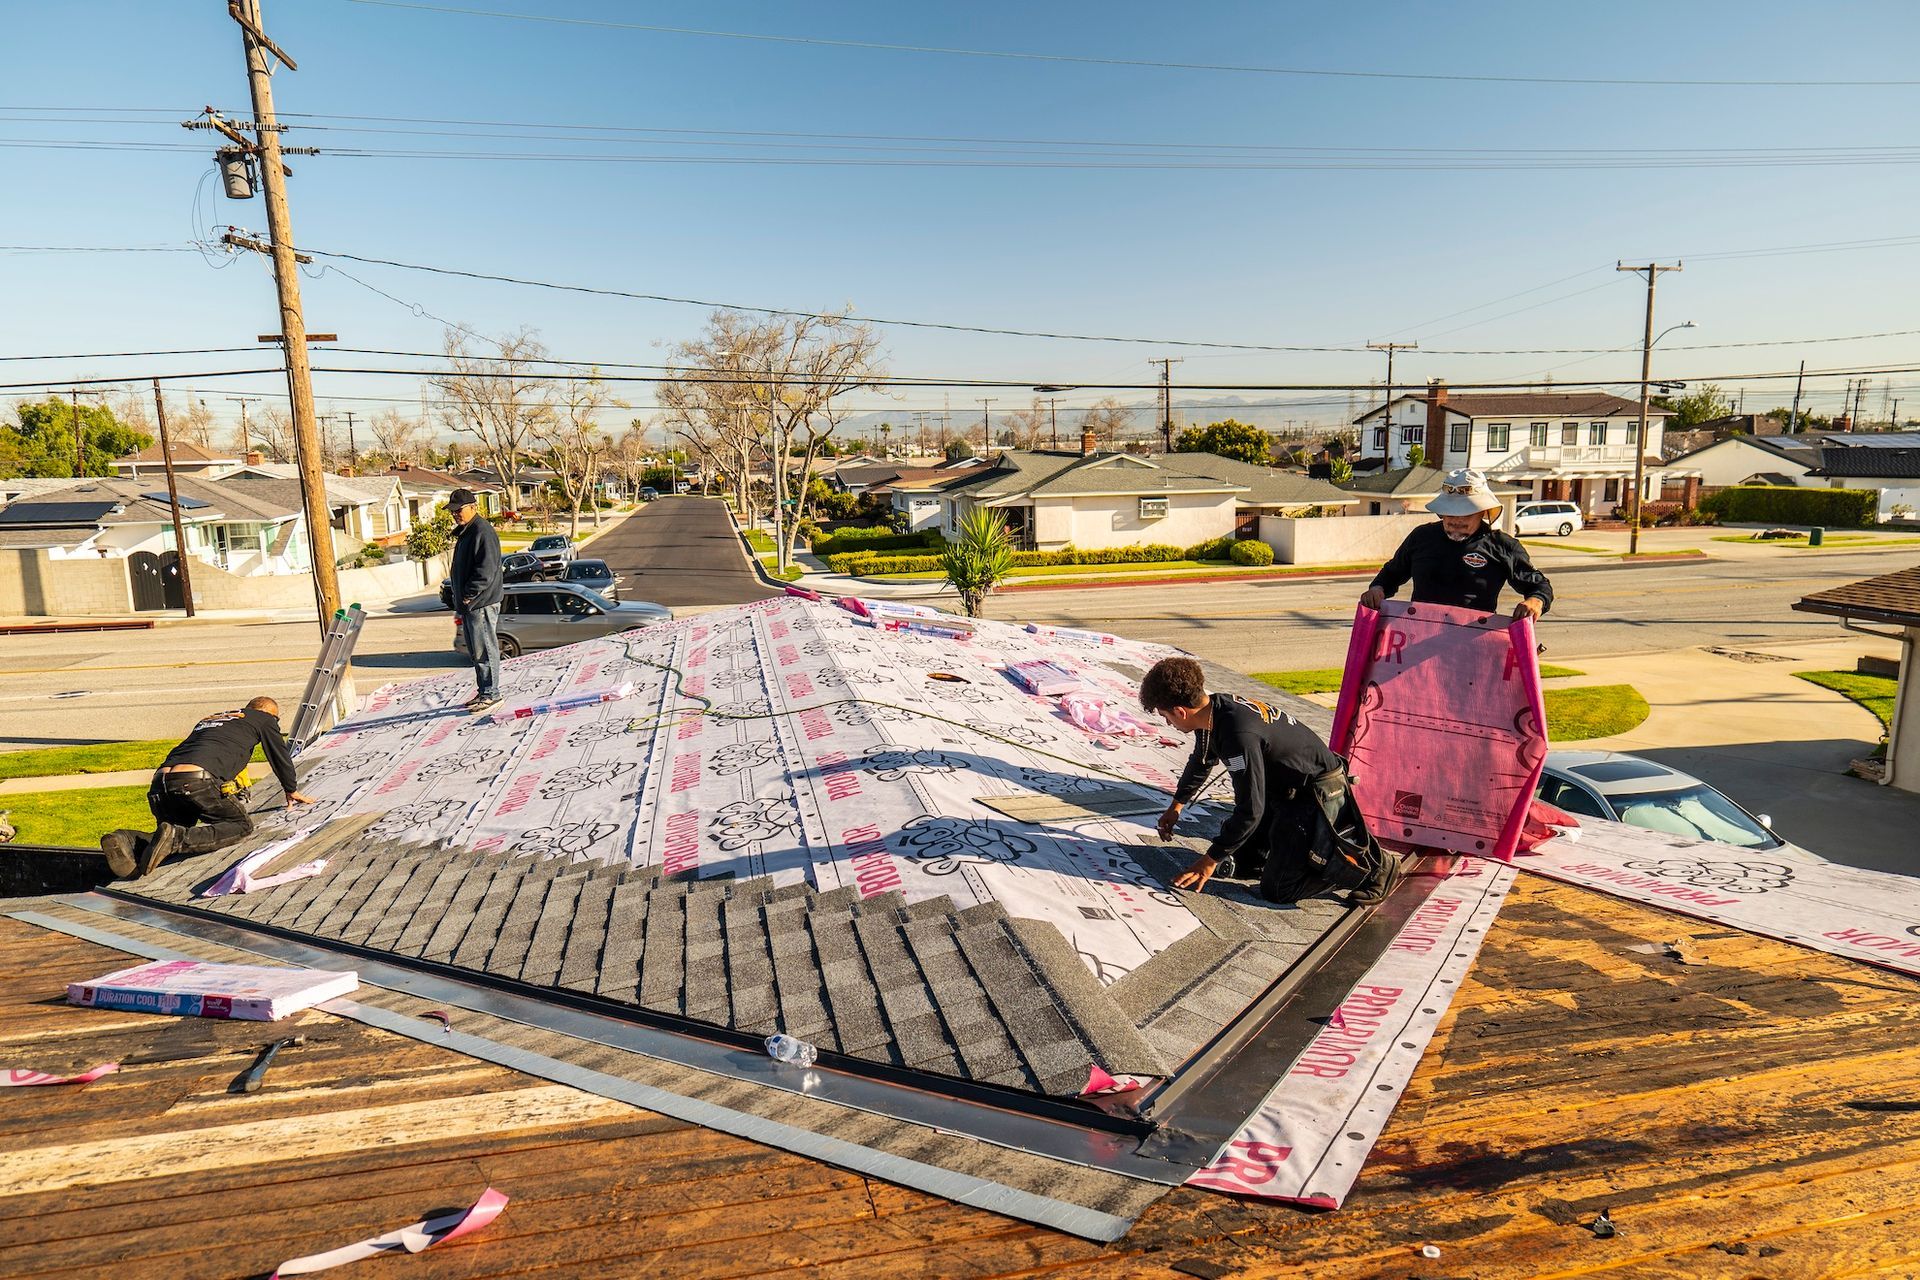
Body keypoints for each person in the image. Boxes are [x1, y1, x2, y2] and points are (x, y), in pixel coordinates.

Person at [1142, 657, 1400, 905]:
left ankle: (1373, 870)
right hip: (1285, 790)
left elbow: (1250, 811)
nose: (1168, 722)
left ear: (1180, 711)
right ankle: (1281, 856)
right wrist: (1176, 805)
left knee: (1277, 889)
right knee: (1246, 860)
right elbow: (1201, 761)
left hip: (1316, 796)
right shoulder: (1214, 710)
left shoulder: (1237, 735)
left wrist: (1209, 861)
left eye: (1166, 716)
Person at [100, 696, 313, 879]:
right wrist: (290, 788)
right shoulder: (264, 719)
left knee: (169, 836)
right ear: (271, 715)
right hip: (195, 780)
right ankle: (175, 838)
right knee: (240, 825)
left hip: (160, 783)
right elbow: (279, 755)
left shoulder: (212, 719)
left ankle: (126, 839)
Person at [1359, 468, 1553, 621]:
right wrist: (1378, 588)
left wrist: (1535, 601)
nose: (1456, 520)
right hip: (1418, 638)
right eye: (1450, 512)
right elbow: (1392, 573)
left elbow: (1540, 587)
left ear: (1482, 512)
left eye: (1466, 513)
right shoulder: (1421, 537)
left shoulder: (1502, 546)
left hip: (1474, 643)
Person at [448, 486, 505, 713]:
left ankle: (492, 694)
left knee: (485, 649)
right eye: (452, 511)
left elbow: (486, 571)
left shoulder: (482, 531)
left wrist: (468, 595)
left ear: (473, 507)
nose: (454, 514)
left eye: (458, 510)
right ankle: (484, 691)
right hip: (471, 604)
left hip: (481, 602)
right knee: (475, 651)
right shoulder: (468, 531)